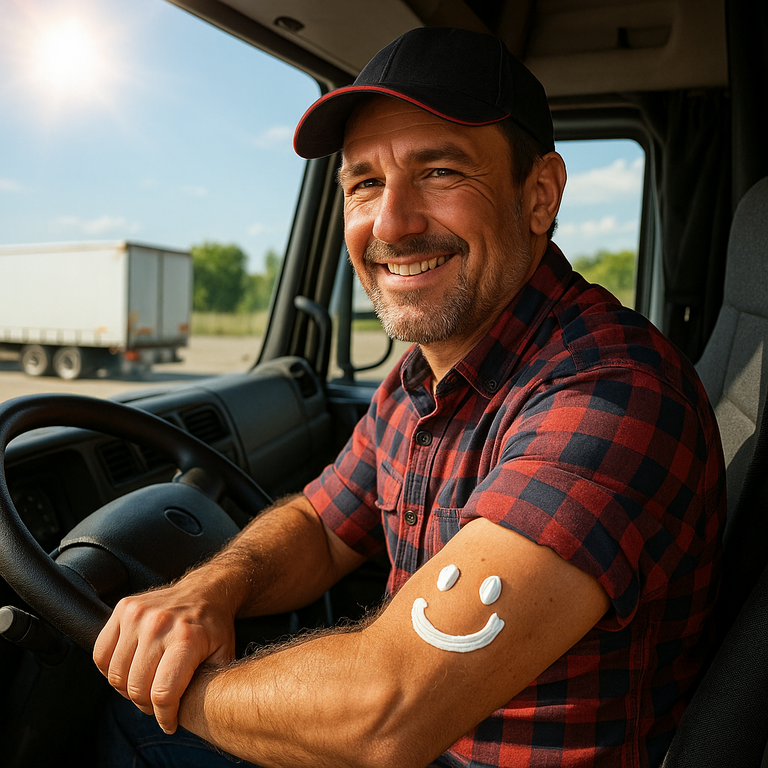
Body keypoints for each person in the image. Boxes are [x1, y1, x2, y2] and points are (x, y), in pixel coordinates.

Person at [94, 27, 726, 768]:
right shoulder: (419, 378)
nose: (391, 223)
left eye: (440, 172)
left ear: (539, 195)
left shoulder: (612, 393)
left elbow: (385, 712)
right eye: (364, 183)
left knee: (122, 724)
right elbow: (321, 524)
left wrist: (177, 688)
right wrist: (212, 590)